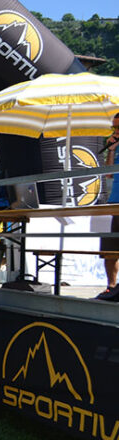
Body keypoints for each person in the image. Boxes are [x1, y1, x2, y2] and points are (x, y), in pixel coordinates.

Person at [98, 113, 119, 300]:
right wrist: (111, 150)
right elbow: (108, 174)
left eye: (118, 127)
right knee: (110, 248)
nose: (116, 130)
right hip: (115, 202)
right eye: (114, 127)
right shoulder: (115, 145)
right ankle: (111, 287)